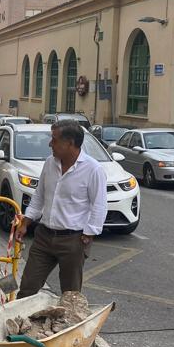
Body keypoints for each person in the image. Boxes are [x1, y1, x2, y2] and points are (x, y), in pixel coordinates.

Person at [14, 119, 107, 298]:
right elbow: (39, 196)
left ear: (70, 143)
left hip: (73, 240)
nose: (50, 144)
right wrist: (26, 222)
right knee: (27, 288)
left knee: (70, 295)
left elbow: (99, 204)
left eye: (54, 140)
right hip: (44, 237)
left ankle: (66, 326)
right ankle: (22, 324)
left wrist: (89, 233)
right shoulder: (50, 163)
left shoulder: (93, 169)